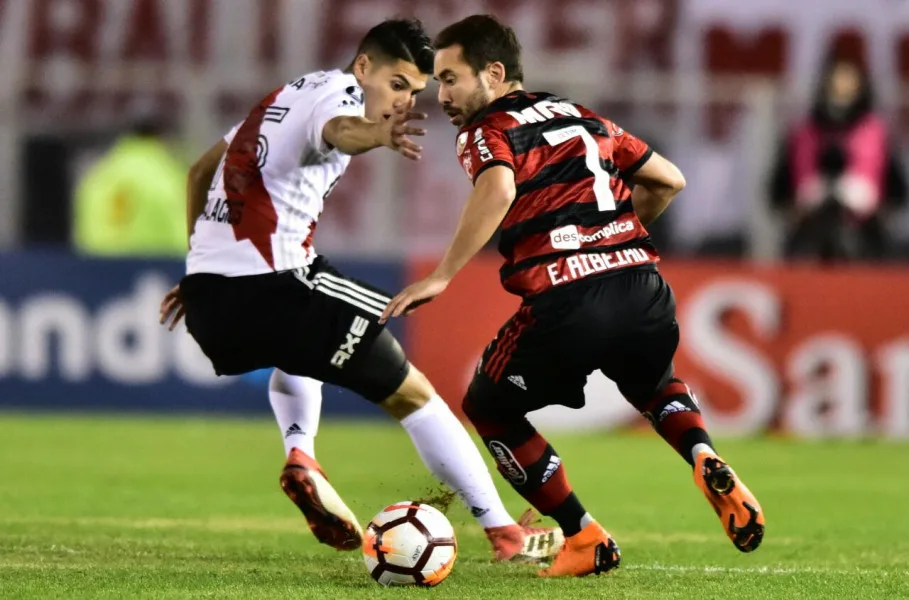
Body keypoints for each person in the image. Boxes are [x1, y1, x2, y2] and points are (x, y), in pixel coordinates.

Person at [157, 18, 561, 564]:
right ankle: (504, 533)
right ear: (364, 66)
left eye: (414, 94)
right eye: (397, 86)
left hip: (211, 300)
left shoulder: (285, 95)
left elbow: (199, 171)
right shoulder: (339, 95)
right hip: (276, 286)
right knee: (416, 395)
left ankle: (301, 455)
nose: (402, 103)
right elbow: (343, 129)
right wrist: (378, 135)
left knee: (300, 349)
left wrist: (198, 269)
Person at [382, 15, 764, 577]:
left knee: (489, 408)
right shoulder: (581, 115)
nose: (442, 96)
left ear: (493, 73)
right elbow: (668, 180)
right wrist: (612, 239)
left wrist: (442, 274)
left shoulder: (487, 130)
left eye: (451, 78)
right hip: (643, 286)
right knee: (653, 384)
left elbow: (499, 184)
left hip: (567, 297)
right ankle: (703, 453)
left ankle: (584, 536)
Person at [769, 54, 906, 261]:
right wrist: (807, 201)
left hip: (865, 241)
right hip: (809, 240)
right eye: (836, 83)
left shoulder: (877, 134)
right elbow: (777, 193)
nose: (842, 90)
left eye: (849, 83)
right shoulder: (803, 133)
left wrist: (869, 204)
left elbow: (897, 193)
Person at [73, 115, 187, 257]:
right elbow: (181, 231)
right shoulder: (167, 176)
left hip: (98, 269)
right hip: (154, 269)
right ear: (162, 137)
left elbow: (84, 229)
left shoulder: (98, 176)